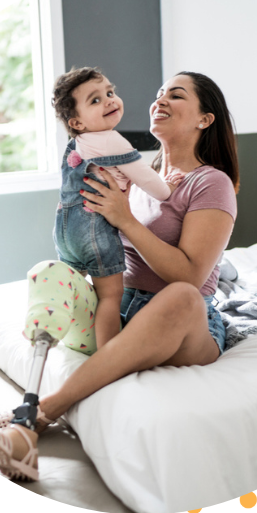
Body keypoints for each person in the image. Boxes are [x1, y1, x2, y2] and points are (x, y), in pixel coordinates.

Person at [0, 71, 240, 482]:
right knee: (49, 272)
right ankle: (46, 373)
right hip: (121, 307)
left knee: (182, 295)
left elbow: (190, 273)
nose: (159, 100)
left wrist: (125, 218)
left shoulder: (211, 183)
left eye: (176, 96)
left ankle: (34, 419)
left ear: (205, 119)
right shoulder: (136, 172)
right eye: (159, 92)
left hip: (182, 320)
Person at [49, 66, 183, 351]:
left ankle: (57, 336)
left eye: (110, 92)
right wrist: (169, 186)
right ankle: (109, 355)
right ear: (77, 122)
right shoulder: (112, 140)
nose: (110, 100)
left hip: (64, 231)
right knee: (110, 296)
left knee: (72, 287)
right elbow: (152, 183)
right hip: (94, 231)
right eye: (95, 100)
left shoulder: (77, 144)